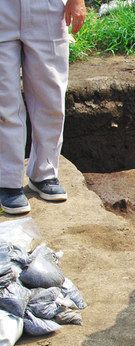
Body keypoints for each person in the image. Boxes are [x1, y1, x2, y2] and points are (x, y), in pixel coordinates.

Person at [0, 0, 86, 215]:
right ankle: (8, 182)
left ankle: (44, 173)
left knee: (50, 96)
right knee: (4, 102)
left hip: (47, 8)